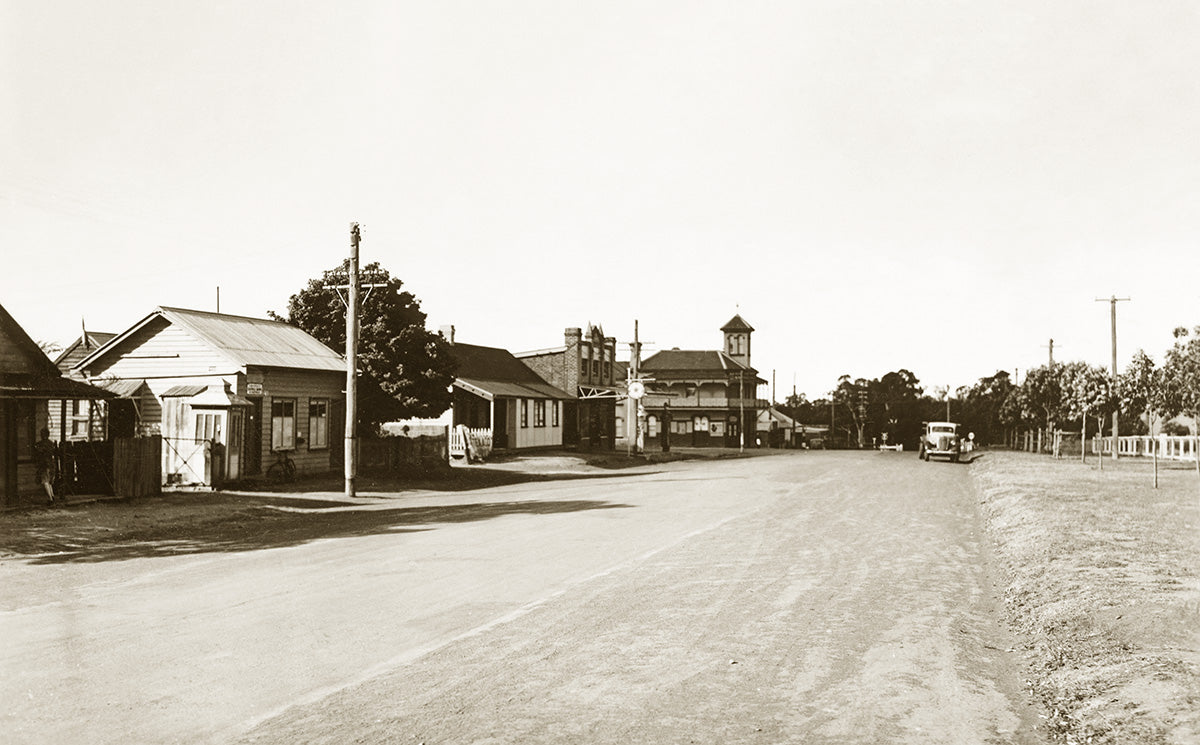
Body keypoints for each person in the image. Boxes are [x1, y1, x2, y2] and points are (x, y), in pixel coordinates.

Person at [33, 428, 59, 505]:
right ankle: (52, 496)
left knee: (45, 482)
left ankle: (50, 499)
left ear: (42, 435)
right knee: (49, 481)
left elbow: (38, 452)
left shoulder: (40, 444)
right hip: (51, 464)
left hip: (45, 464)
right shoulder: (51, 443)